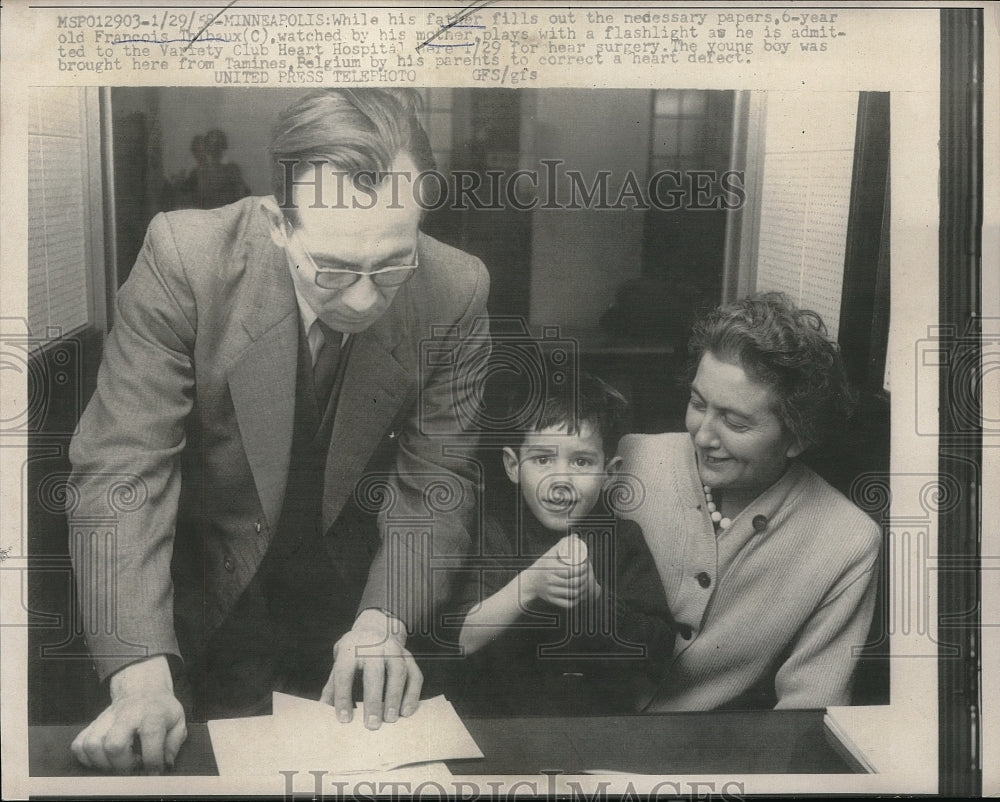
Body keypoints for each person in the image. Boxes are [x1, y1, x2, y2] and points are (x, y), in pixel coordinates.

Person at [66, 88, 490, 772]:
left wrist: (385, 622)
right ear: (276, 223)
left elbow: (435, 480)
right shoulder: (185, 259)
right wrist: (140, 671)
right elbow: (124, 471)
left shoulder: (456, 288)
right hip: (198, 597)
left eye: (390, 266)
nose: (361, 299)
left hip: (355, 601)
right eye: (333, 269)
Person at [616, 292, 881, 710]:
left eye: (735, 422)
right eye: (697, 404)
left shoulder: (848, 541)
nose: (702, 436)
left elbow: (810, 709)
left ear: (797, 437)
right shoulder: (632, 460)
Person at [447, 371, 675, 715]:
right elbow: (460, 639)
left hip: (596, 723)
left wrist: (594, 598)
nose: (560, 482)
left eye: (581, 461)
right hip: (499, 721)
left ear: (609, 473)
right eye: (542, 460)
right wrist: (529, 585)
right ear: (513, 465)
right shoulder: (493, 532)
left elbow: (657, 652)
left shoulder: (622, 539)